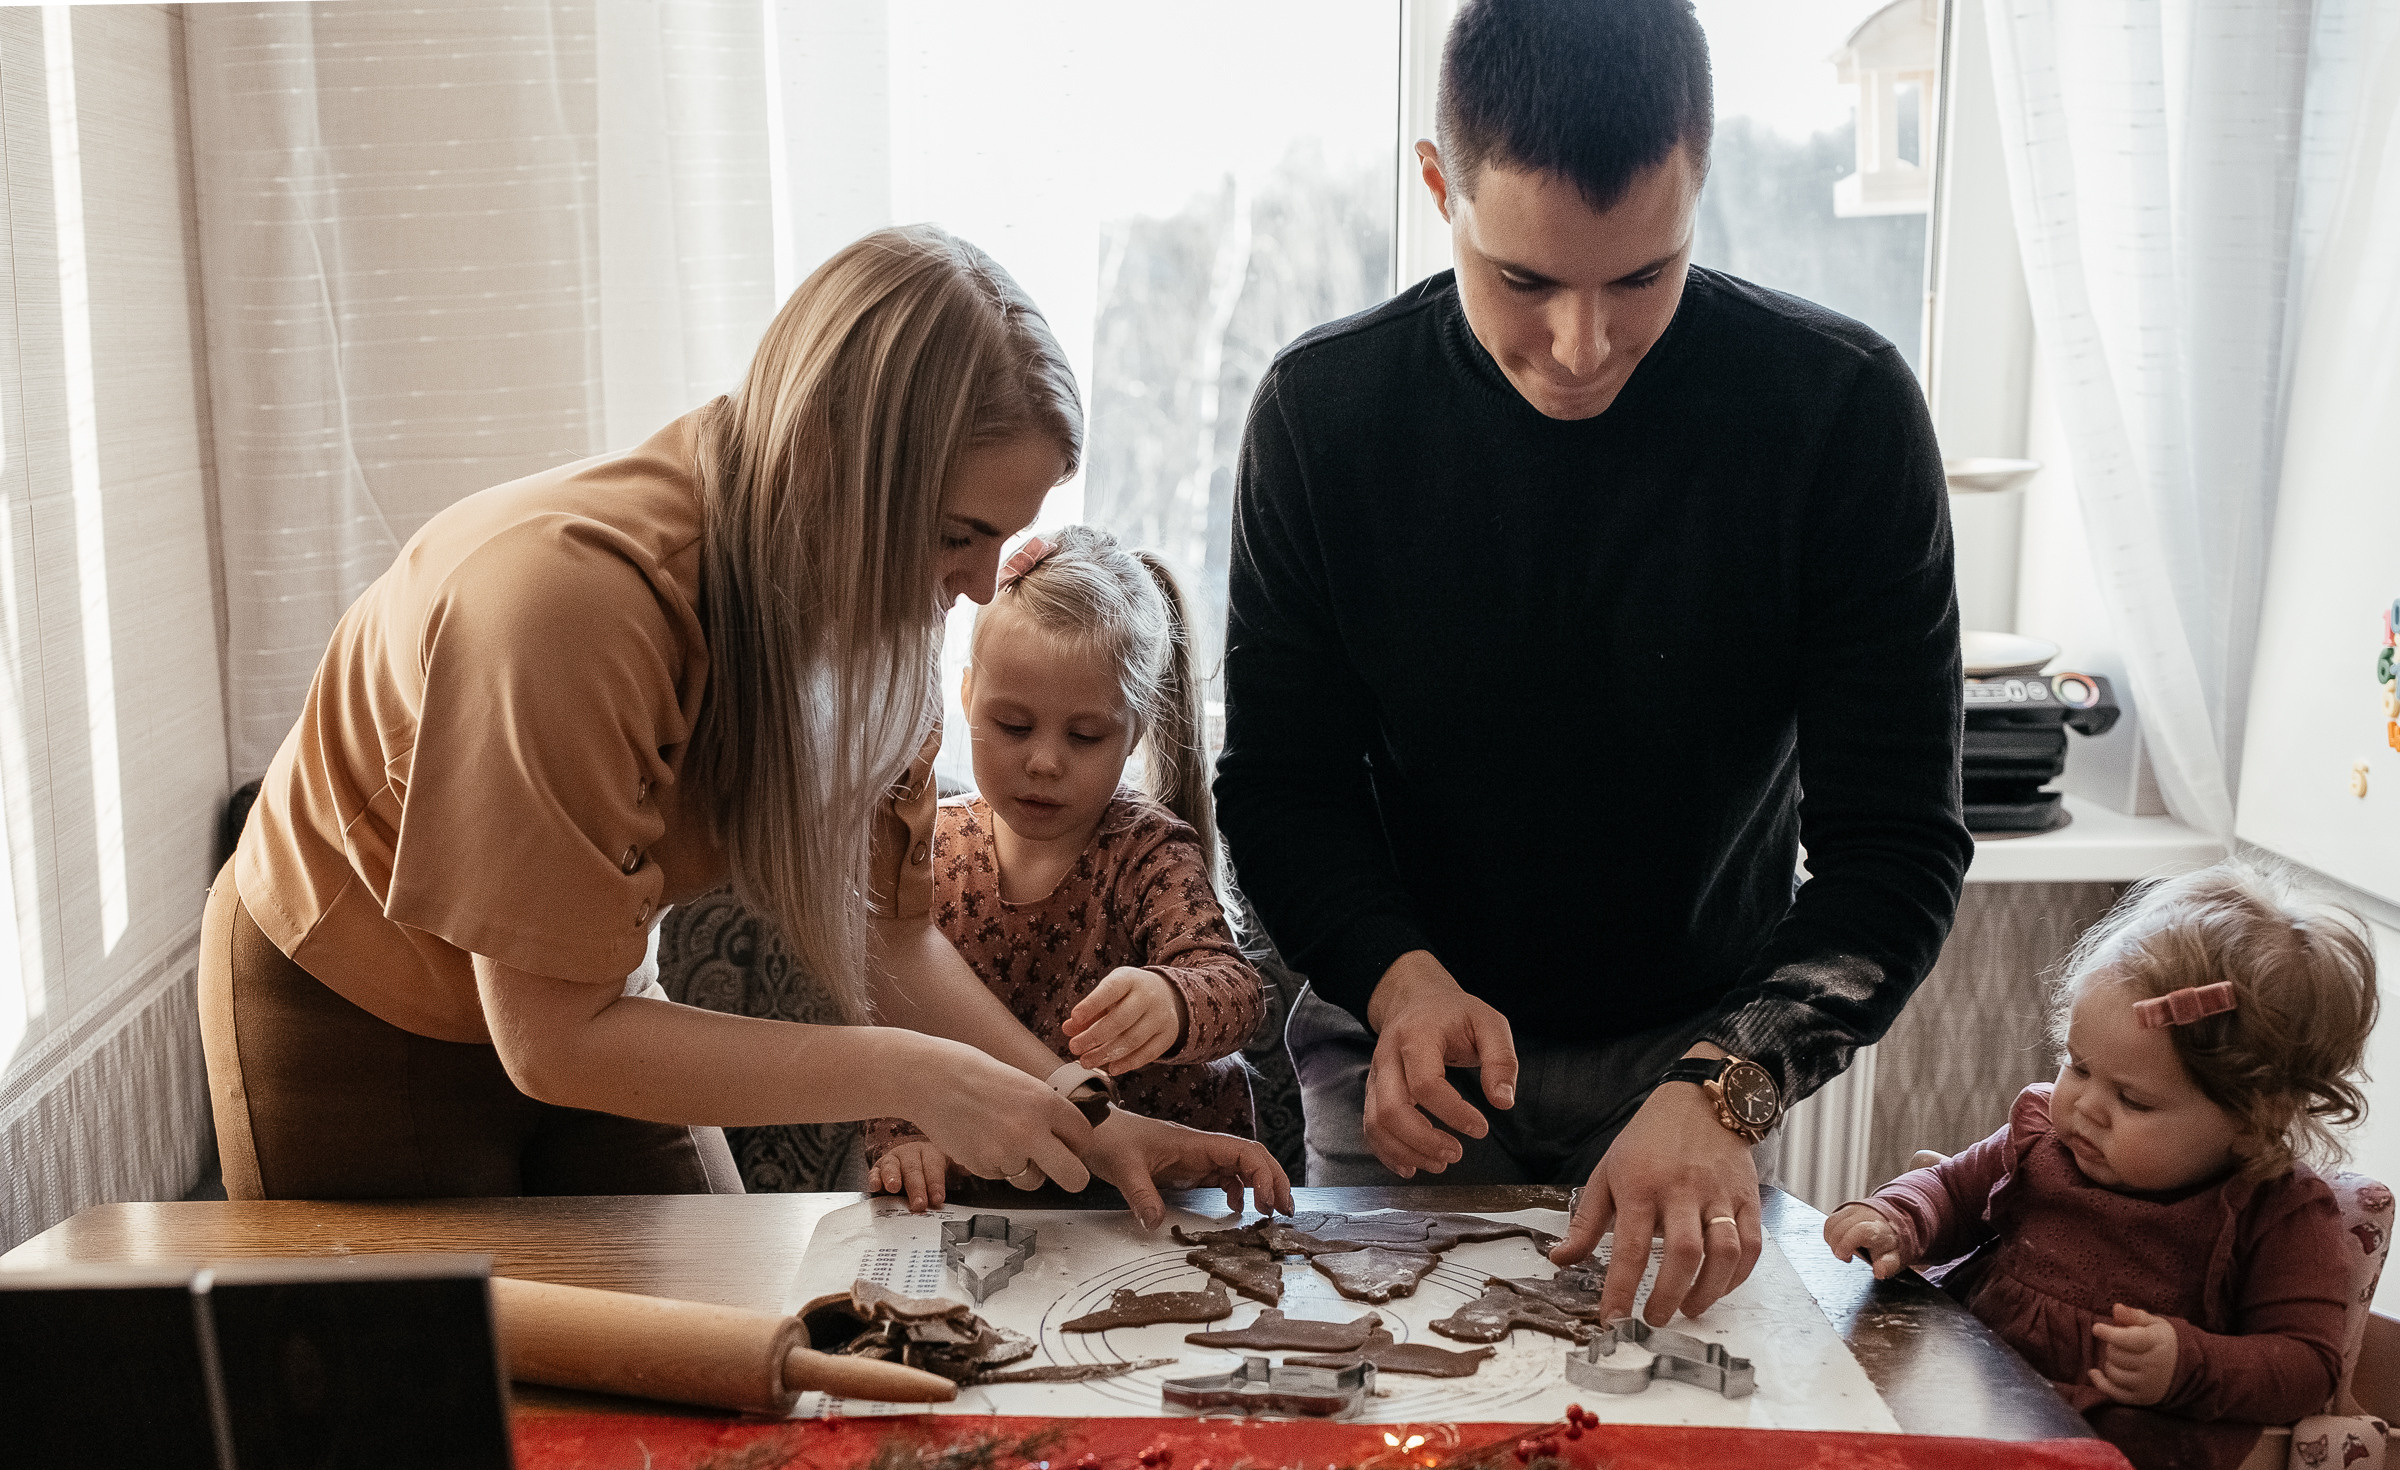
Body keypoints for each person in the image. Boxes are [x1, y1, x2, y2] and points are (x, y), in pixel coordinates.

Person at [201, 225, 1287, 1227]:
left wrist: (1085, 1116)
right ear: (833, 459)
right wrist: (915, 1077)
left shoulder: (875, 623)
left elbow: (889, 937)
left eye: (1002, 538)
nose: (975, 585)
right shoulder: (568, 606)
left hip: (584, 1000)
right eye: (957, 533)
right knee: (430, 1375)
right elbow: (550, 1043)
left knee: (728, 1333)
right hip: (355, 996)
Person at [1215, 0, 1970, 1326]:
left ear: (1700, 186)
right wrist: (1397, 978)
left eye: (1641, 278)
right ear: (1439, 187)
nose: (1581, 345)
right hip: (1405, 1040)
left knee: (1665, 1418)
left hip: (1697, 1041)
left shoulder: (1841, 413)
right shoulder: (1322, 415)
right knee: (1392, 1404)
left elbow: (1895, 849)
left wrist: (1727, 1085)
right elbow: (1283, 787)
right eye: (1524, 281)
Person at [1824, 862, 2380, 1470]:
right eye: (2078, 1065)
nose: (2086, 1105)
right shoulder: (2042, 1135)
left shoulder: (2278, 1213)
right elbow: (1951, 1186)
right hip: (1965, 1399)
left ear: (2253, 1117)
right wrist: (1897, 1215)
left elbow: (2308, 1365)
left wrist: (2187, 1362)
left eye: (2132, 1099)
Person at [864, 527, 1266, 1213]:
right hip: (985, 1202)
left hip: (1150, 1203)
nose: (1045, 762)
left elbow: (1238, 992)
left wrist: (1172, 1001)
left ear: (1135, 730)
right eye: (1013, 725)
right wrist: (904, 1135)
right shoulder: (929, 844)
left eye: (1085, 735)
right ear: (966, 697)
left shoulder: (1147, 850)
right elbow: (895, 1018)